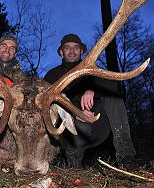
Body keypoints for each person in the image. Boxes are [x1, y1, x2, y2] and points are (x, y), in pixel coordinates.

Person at [44, 34, 137, 169]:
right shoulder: (52, 75)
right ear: (61, 52)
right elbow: (46, 102)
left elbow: (114, 87)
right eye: (67, 48)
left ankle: (126, 156)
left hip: (97, 125)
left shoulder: (93, 72)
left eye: (76, 47)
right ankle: (73, 161)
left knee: (113, 97)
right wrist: (75, 113)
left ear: (82, 51)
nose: (72, 51)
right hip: (70, 129)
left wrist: (92, 89)